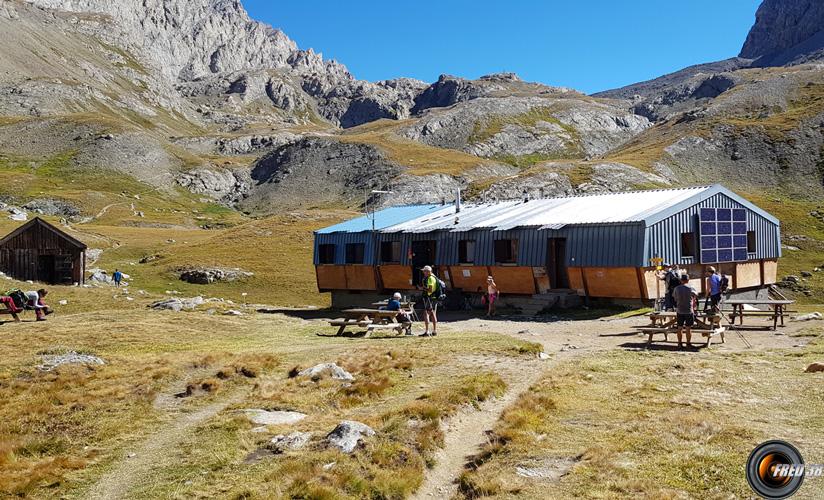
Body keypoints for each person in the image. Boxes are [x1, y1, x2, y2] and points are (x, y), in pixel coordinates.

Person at [672, 274, 697, 349]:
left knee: (679, 328)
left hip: (679, 310)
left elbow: (674, 298)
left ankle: (679, 343)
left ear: (681, 280)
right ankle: (688, 343)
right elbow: (696, 295)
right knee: (688, 328)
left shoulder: (676, 288)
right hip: (689, 310)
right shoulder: (691, 288)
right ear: (688, 280)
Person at [420, 265, 438, 337]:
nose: (423, 272)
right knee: (433, 313)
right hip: (434, 298)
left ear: (428, 272)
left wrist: (422, 288)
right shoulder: (435, 278)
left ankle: (427, 331)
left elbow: (430, 290)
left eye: (424, 271)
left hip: (429, 298)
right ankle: (434, 331)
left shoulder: (430, 279)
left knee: (426, 313)